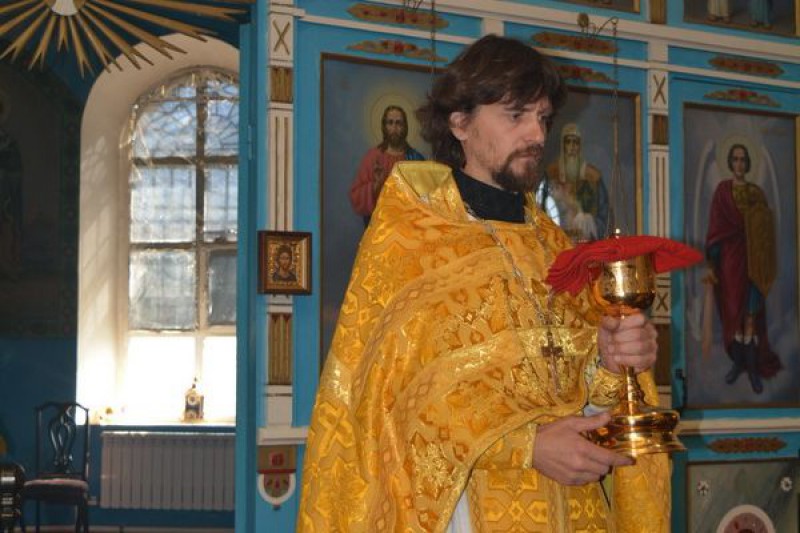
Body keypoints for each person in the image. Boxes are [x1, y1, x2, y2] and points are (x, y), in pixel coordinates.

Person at [298, 35, 669, 532]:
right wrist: (526, 446)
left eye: (543, 118)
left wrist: (612, 360)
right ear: (460, 123)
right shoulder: (411, 239)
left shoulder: (555, 249)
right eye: (516, 115)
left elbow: (585, 394)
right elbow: (385, 414)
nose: (536, 134)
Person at [704, 142, 780, 394]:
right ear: (730, 163)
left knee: (750, 315)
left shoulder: (756, 193)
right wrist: (713, 263)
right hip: (730, 262)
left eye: (743, 159)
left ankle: (752, 368)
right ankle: (739, 363)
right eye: (735, 159)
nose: (739, 164)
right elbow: (716, 230)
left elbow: (765, 230)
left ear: (748, 163)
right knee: (734, 315)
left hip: (754, 262)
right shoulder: (722, 192)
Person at [349, 105, 425, 225]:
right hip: (380, 228)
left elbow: (427, 198)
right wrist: (376, 185)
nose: (394, 128)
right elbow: (356, 195)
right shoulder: (372, 157)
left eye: (399, 123)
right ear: (384, 126)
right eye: (390, 123)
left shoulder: (416, 159)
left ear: (405, 127)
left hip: (408, 227)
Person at [539, 122, 609, 242]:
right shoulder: (551, 173)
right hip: (555, 243)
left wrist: (587, 223)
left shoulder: (593, 176)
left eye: (575, 142)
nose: (572, 147)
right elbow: (540, 209)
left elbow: (604, 217)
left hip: (586, 244)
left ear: (580, 146)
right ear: (563, 145)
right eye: (568, 142)